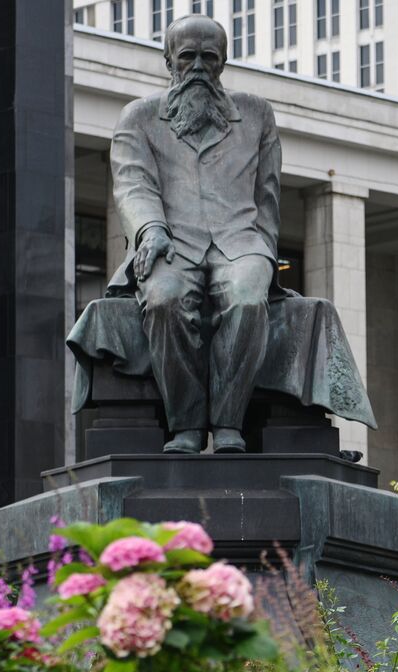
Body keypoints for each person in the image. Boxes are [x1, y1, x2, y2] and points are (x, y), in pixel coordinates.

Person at [110, 14, 281, 454]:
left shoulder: (258, 114)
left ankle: (228, 425)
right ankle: (185, 425)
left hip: (240, 242)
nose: (199, 67)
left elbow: (268, 197)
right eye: (188, 57)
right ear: (168, 60)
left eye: (210, 57)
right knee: (164, 298)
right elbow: (133, 184)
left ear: (224, 61)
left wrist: (263, 250)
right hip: (171, 241)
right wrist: (151, 230)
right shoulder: (139, 118)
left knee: (246, 299)